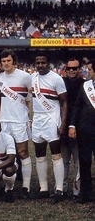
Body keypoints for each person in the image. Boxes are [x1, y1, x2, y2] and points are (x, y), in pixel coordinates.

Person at [0, 49, 33, 199]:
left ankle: (26, 186)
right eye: (3, 61)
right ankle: (8, 186)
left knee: (23, 153)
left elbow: (30, 99)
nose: (6, 64)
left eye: (8, 61)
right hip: (4, 121)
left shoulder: (25, 76)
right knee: (6, 154)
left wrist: (30, 118)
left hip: (20, 120)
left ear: (14, 62)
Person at [31, 53, 67, 203]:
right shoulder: (32, 77)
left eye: (43, 62)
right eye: (38, 62)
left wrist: (63, 123)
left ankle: (59, 190)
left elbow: (64, 102)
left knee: (56, 155)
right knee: (39, 155)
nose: (40, 65)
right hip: (37, 119)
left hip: (52, 119)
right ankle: (43, 188)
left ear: (49, 63)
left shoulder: (56, 79)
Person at [70, 59, 95, 203]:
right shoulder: (86, 85)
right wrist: (72, 125)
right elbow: (77, 106)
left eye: (90, 70)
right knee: (85, 162)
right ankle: (85, 194)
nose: (87, 72)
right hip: (85, 130)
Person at [61, 58, 84, 199]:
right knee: (63, 162)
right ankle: (61, 189)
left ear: (80, 69)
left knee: (78, 162)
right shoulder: (61, 82)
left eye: (74, 68)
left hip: (78, 128)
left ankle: (77, 190)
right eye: (69, 68)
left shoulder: (85, 85)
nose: (71, 70)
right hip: (63, 127)